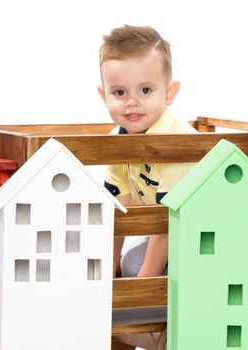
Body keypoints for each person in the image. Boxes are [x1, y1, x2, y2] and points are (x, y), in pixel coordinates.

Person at [98, 25, 197, 279]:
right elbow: (119, 206)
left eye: (145, 90)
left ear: (169, 93)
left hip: (200, 232)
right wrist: (109, 275)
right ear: (104, 95)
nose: (132, 102)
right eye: (119, 92)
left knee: (139, 268)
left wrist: (141, 288)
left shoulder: (175, 141)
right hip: (165, 231)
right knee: (127, 263)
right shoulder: (116, 142)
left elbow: (167, 221)